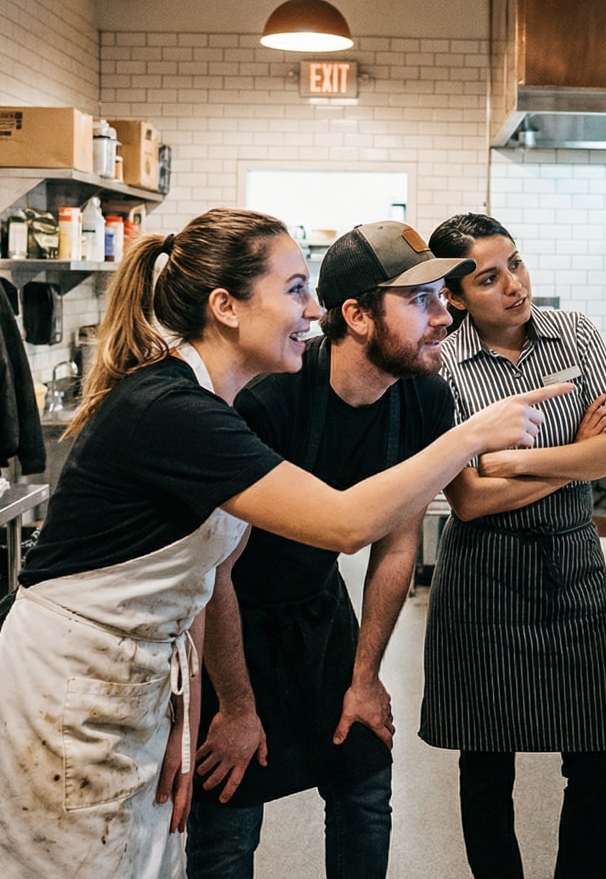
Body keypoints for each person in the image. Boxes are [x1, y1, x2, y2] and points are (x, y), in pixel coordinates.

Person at [0, 208, 570, 879]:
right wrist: (468, 437)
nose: (313, 311)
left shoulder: (203, 401)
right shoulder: (183, 413)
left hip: (128, 670)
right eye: (295, 289)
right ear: (226, 307)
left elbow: (203, 579)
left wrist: (182, 710)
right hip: (67, 684)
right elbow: (344, 523)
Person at [186, 221, 473, 879]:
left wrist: (365, 675)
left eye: (442, 296)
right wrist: (234, 706)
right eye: (421, 300)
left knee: (365, 781)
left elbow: (398, 541)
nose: (444, 315)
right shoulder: (271, 400)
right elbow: (214, 571)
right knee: (228, 814)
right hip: (232, 622)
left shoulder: (424, 398)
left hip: (321, 610)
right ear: (357, 315)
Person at [419, 214, 606, 879]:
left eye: (514, 263)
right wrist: (578, 457)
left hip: (571, 563)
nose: (514, 285)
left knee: (600, 754)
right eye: (488, 277)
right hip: (485, 569)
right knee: (485, 761)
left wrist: (515, 463)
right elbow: (470, 499)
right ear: (454, 296)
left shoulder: (575, 334)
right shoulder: (444, 363)